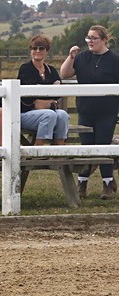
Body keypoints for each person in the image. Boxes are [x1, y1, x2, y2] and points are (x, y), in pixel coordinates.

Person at [60, 24, 119, 199]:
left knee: (103, 146)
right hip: (86, 109)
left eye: (94, 38)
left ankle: (107, 184)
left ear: (104, 40)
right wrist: (70, 57)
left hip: (107, 111)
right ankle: (82, 183)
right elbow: (64, 74)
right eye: (88, 38)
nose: (90, 41)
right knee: (86, 146)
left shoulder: (115, 60)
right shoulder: (82, 57)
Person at [16, 35, 70, 146]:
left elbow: (58, 93)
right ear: (30, 50)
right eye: (34, 48)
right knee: (49, 115)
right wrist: (49, 97)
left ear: (46, 51)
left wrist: (42, 100)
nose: (37, 51)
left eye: (41, 48)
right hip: (25, 113)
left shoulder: (51, 70)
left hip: (47, 111)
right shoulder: (25, 68)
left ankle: (58, 150)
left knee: (63, 115)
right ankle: (38, 150)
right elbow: (28, 98)